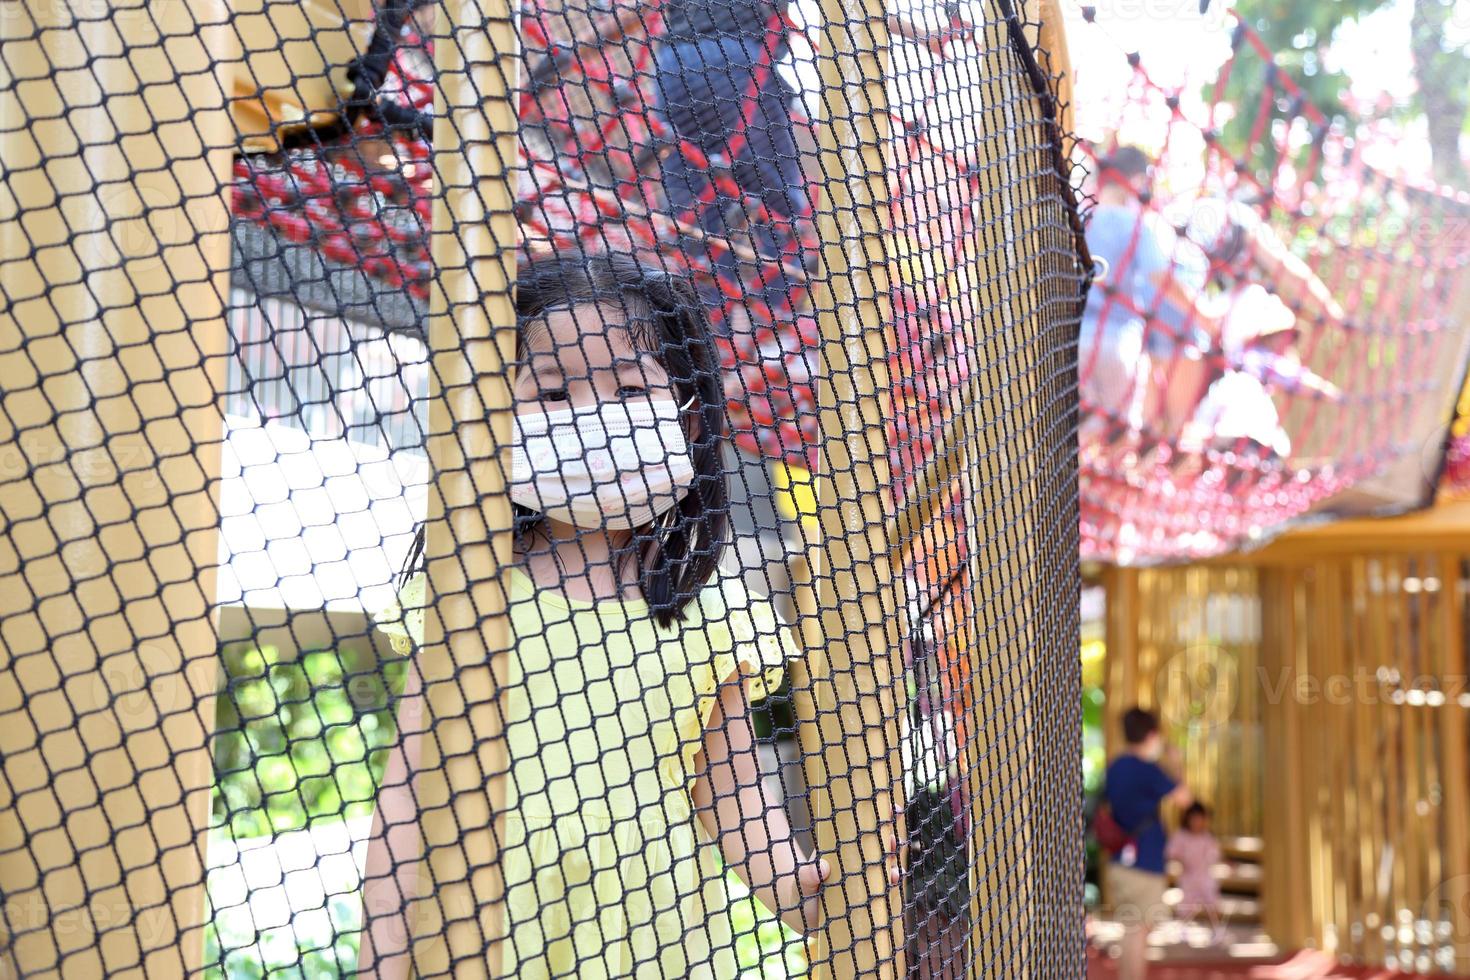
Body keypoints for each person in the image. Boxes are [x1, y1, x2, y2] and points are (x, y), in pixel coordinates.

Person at [356, 252, 898, 977]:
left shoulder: (709, 611)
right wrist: (379, 960)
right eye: (553, 392)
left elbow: (733, 790)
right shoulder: (468, 594)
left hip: (653, 936)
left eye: (629, 387)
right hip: (484, 923)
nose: (594, 418)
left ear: (689, 418)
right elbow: (407, 797)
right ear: (495, 417)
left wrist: (798, 888)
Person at [654, 0, 806, 319]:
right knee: (783, 203)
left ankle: (702, 335)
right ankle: (774, 323)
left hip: (673, 64)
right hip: (733, 58)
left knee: (697, 213)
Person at [1081, 147, 1221, 447]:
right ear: (1136, 180)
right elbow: (1161, 279)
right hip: (1117, 339)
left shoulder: (1081, 218)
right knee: (1119, 438)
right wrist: (1203, 316)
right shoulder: (1136, 225)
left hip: (1075, 339)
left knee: (1080, 431)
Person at [1104, 708, 1192, 980]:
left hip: (1119, 861)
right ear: (1152, 734)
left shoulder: (1116, 766)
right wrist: (1176, 764)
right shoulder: (1150, 771)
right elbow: (1184, 799)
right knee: (1140, 931)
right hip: (1145, 863)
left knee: (1131, 929)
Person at [1166, 802, 1222, 929]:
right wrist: (1181, 860)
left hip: (1205, 876)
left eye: (1200, 819)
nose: (1197, 822)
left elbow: (1214, 854)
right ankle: (1183, 930)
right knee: (1186, 906)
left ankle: (1217, 929)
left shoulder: (1207, 837)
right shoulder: (1181, 836)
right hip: (1188, 877)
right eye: (1194, 819)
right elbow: (1172, 852)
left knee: (1212, 903)